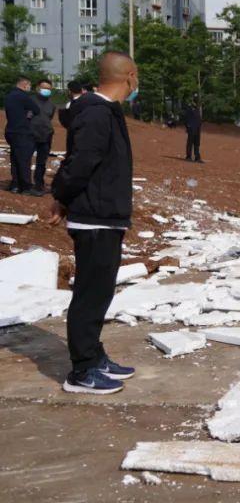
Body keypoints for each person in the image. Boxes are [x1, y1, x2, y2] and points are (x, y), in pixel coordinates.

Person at [48, 52, 138, 394]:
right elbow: (81, 162)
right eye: (136, 76)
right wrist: (61, 196)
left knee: (100, 293)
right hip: (95, 217)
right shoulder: (97, 114)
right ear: (130, 76)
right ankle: (82, 371)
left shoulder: (105, 112)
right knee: (90, 295)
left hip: (106, 216)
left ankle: (95, 356)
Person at [4, 75, 41, 194]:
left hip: (10, 130)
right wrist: (28, 113)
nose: (30, 87)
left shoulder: (9, 96)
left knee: (15, 158)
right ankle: (26, 187)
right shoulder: (23, 96)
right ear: (24, 85)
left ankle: (15, 184)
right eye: (29, 85)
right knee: (24, 159)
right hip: (22, 131)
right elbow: (36, 109)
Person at [29, 79, 56, 192]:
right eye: (44, 88)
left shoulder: (51, 104)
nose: (46, 90)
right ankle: (24, 182)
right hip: (31, 134)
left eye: (49, 89)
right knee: (26, 159)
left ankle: (38, 183)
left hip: (46, 135)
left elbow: (49, 118)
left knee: (41, 162)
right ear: (37, 88)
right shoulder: (30, 101)